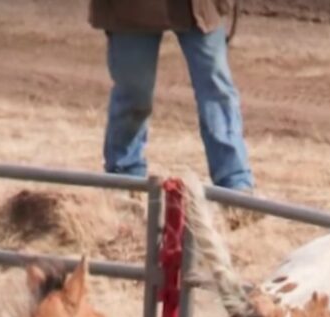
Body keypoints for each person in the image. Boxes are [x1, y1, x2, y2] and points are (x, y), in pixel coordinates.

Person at [90, 0, 257, 225]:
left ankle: (235, 188)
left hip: (197, 6)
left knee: (216, 90)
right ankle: (126, 182)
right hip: (130, 9)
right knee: (133, 93)